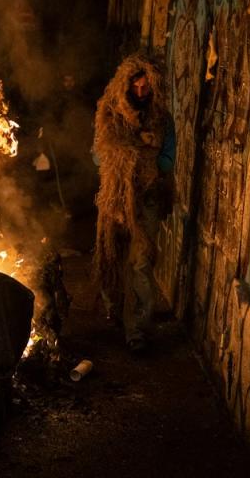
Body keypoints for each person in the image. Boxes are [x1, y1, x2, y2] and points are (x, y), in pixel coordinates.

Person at [91, 53, 174, 352]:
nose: (141, 93)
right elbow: (98, 155)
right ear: (126, 86)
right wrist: (132, 154)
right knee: (113, 254)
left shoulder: (162, 119)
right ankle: (114, 307)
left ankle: (137, 330)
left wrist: (152, 164)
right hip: (115, 197)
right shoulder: (110, 115)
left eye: (146, 88)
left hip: (148, 198)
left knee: (140, 262)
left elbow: (167, 159)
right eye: (136, 87)